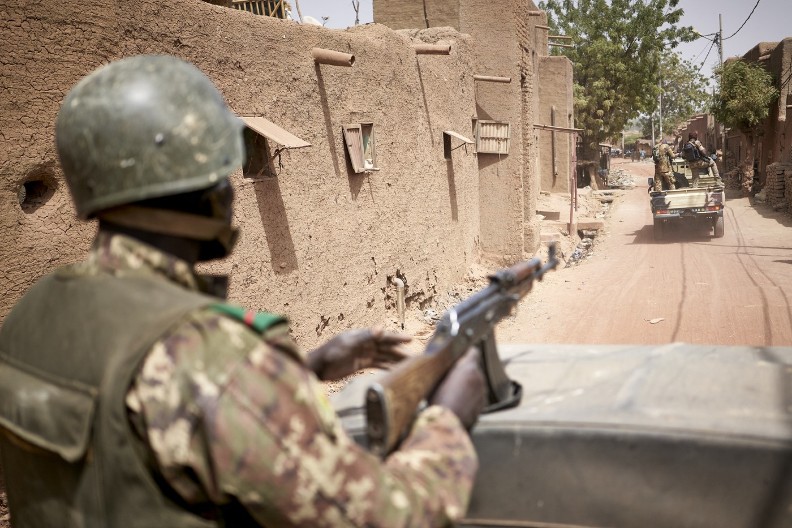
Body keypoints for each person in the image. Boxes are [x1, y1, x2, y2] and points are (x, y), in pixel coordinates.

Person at [0, 55, 487, 527]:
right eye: (220, 171)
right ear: (197, 186)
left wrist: (302, 371)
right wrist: (447, 420)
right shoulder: (209, 355)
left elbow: (138, 432)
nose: (229, 189)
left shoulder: (31, 315)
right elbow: (384, 516)